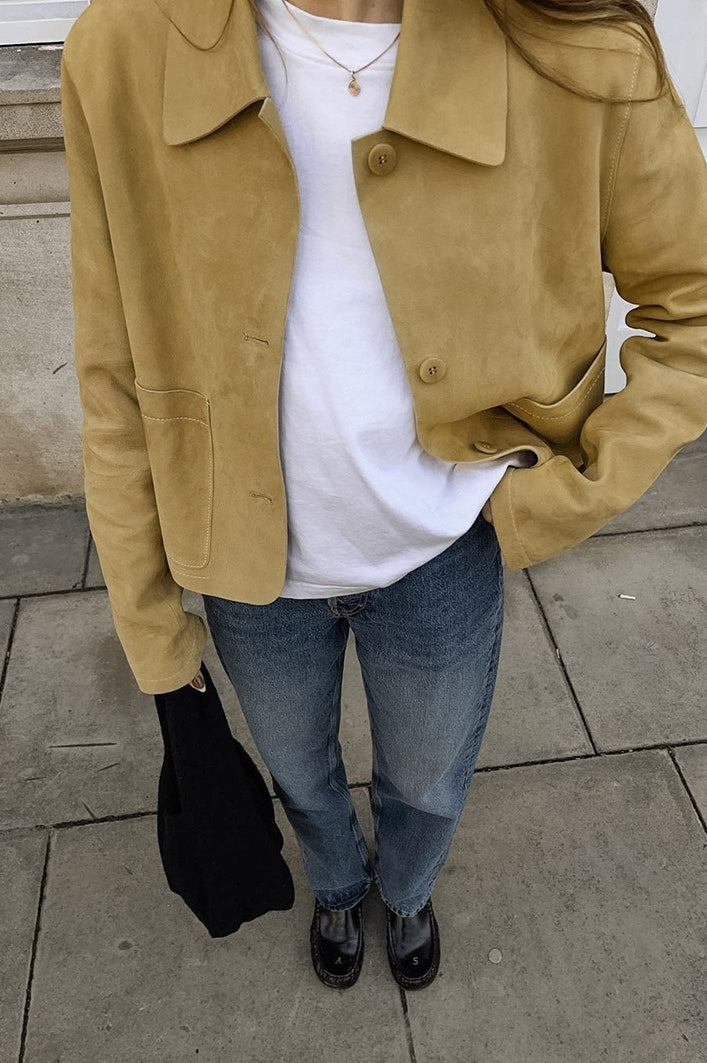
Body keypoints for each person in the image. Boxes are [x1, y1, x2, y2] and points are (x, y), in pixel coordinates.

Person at [60, 0, 707, 992]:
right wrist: (151, 628)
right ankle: (335, 884)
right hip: (246, 563)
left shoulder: (571, 44)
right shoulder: (124, 47)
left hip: (443, 548)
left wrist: (570, 491)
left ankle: (404, 891)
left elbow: (691, 307)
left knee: (429, 779)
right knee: (300, 774)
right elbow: (113, 376)